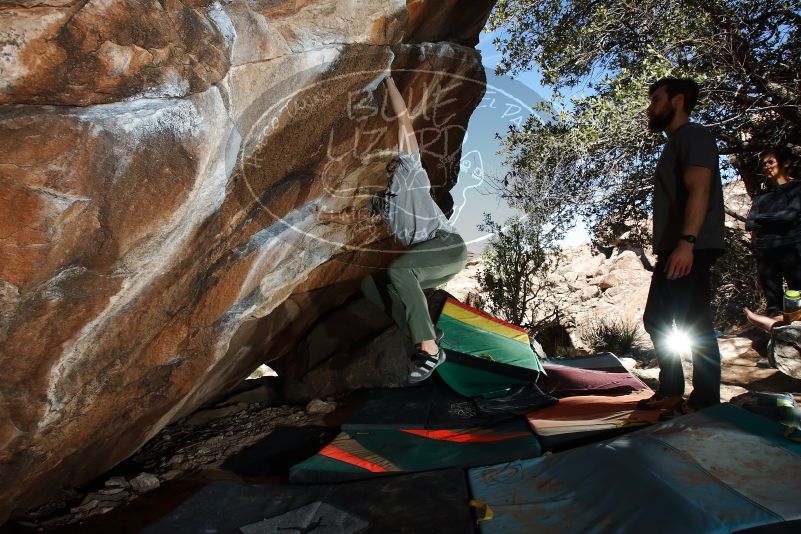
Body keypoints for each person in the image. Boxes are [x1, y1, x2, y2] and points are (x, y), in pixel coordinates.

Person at [315, 76, 467, 383]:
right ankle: (423, 333)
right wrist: (326, 216)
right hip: (430, 262)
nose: (390, 165)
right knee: (373, 285)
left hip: (447, 246)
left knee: (400, 272)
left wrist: (389, 79)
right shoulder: (385, 202)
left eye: (392, 161)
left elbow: (403, 120)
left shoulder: (413, 170)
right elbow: (353, 215)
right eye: (387, 166)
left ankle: (428, 348)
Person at [639, 78, 726, 413]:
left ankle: (704, 399)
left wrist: (687, 243)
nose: (651, 107)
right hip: (677, 246)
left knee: (694, 322)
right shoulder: (677, 142)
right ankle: (673, 389)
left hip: (691, 246)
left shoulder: (694, 135)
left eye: (656, 99)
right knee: (659, 318)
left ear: (678, 101)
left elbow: (700, 188)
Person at [744, 147, 801, 317]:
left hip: (792, 248)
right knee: (772, 303)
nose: (766, 167)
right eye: (763, 164)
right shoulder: (761, 195)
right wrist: (774, 219)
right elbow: (749, 223)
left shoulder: (796, 187)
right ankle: (774, 338)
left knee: (797, 295)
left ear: (785, 163)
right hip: (766, 251)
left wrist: (761, 219)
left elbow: (789, 215)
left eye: (770, 162)